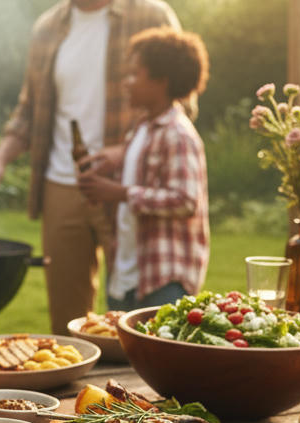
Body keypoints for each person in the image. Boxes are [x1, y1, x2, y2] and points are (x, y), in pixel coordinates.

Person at [0, 0, 182, 335]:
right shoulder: (47, 27)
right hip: (62, 185)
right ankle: (71, 388)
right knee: (67, 325)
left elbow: (182, 102)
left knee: (139, 319)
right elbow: (30, 109)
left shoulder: (151, 15)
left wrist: (122, 153)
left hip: (128, 186)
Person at [77, 28, 210, 310]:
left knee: (159, 353)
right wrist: (103, 179)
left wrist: (121, 193)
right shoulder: (142, 129)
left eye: (135, 74)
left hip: (163, 279)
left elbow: (185, 200)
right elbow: (140, 179)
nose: (126, 82)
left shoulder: (178, 135)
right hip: (128, 273)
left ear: (161, 81)